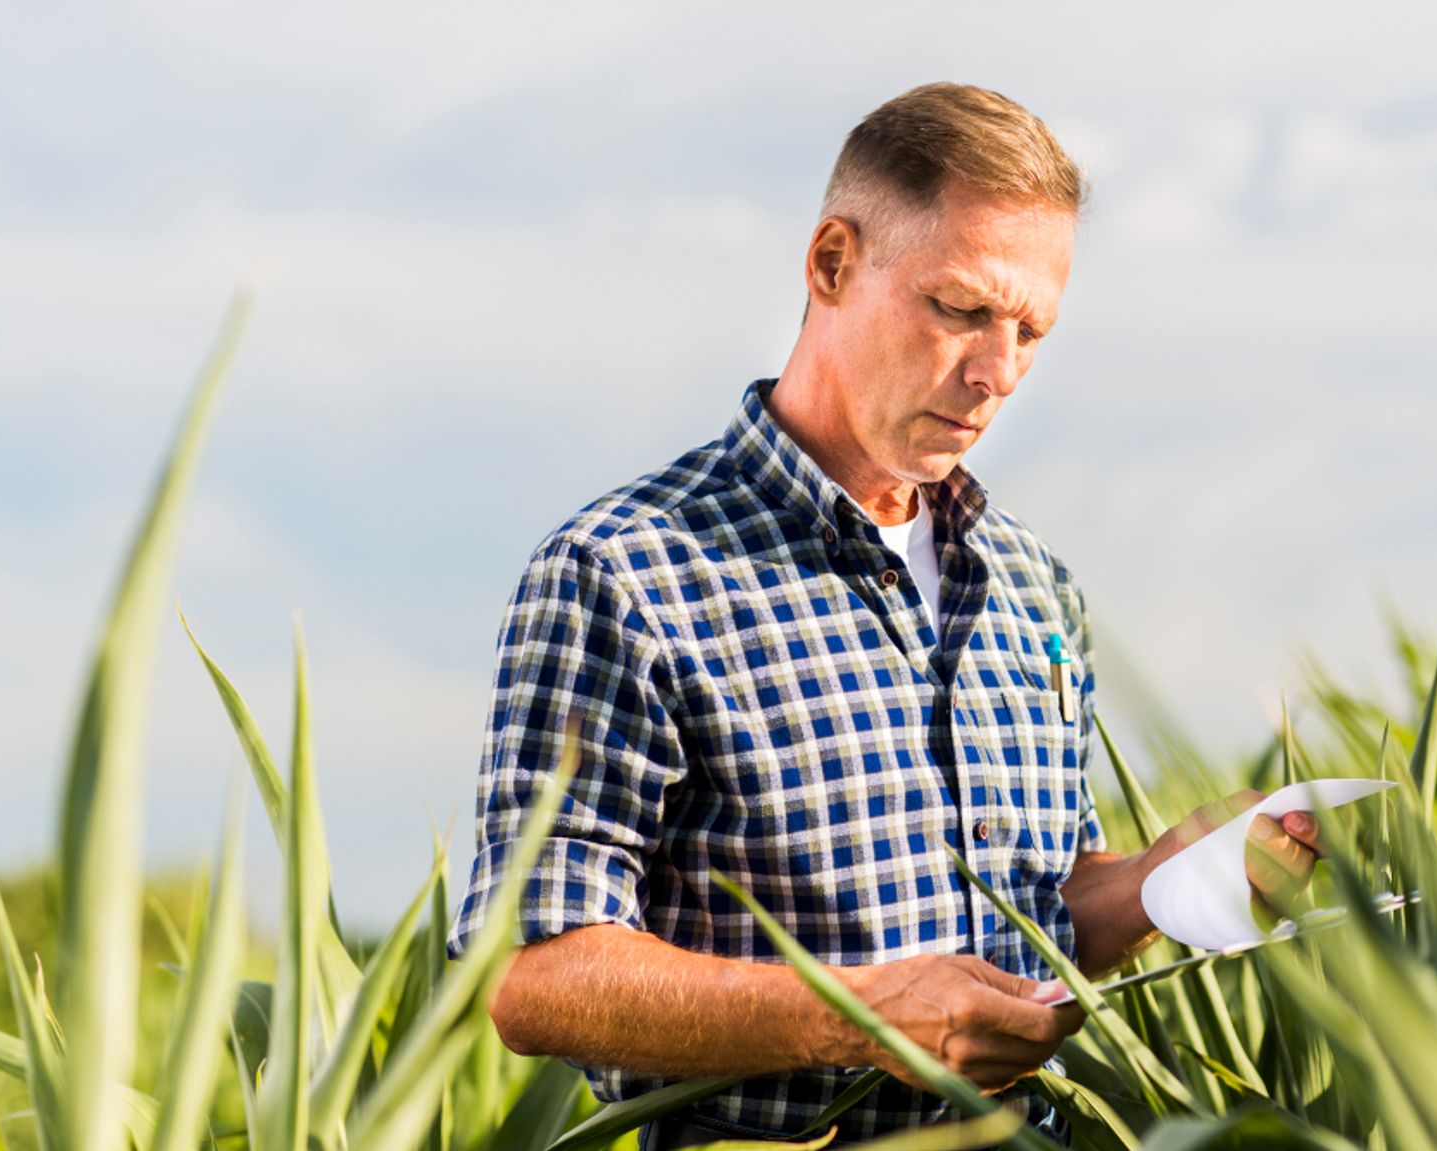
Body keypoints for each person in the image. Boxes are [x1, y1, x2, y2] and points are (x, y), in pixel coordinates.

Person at [448, 83, 1321, 1146]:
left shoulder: (1031, 585)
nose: (998, 370)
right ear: (831, 264)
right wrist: (858, 1020)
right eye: (960, 308)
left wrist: (1158, 881)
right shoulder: (622, 575)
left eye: (1031, 329)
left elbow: (1031, 932)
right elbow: (530, 972)